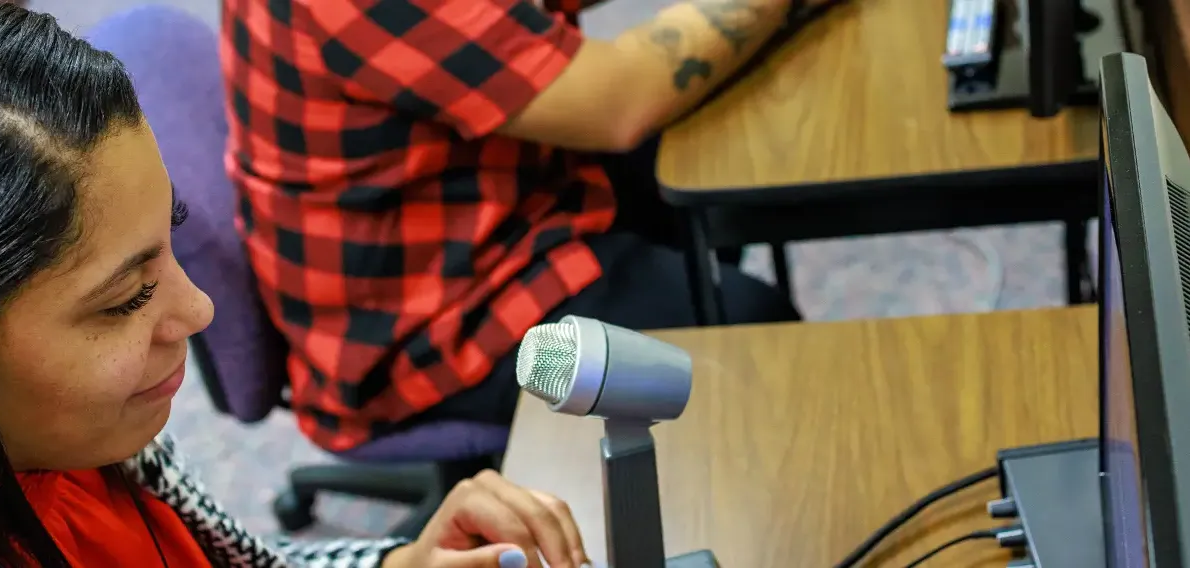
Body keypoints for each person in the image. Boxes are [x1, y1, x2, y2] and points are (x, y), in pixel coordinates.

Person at [0, 5, 588, 567]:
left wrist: (399, 563)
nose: (199, 310)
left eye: (167, 247)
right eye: (123, 299)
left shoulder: (67, 431)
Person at [222, 0, 837, 453]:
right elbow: (617, 102)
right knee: (758, 348)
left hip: (497, 190)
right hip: (425, 325)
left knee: (725, 152)